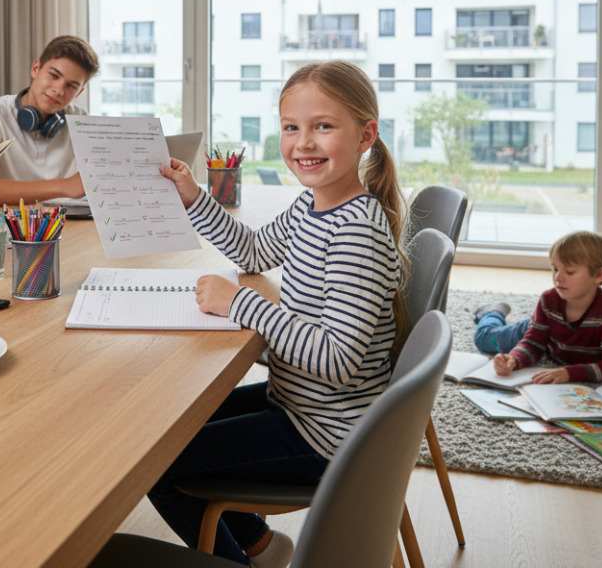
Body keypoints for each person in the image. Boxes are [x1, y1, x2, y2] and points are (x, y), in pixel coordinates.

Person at [150, 60, 409, 566]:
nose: (303, 143)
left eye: (323, 126)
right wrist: (195, 198)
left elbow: (337, 360)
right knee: (169, 428)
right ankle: (263, 548)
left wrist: (240, 303)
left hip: (328, 435)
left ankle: (247, 556)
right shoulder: (312, 206)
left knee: (155, 461)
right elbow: (252, 252)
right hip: (300, 405)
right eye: (291, 128)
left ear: (365, 136)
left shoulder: (355, 232)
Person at [472, 231, 602, 384]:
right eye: (555, 269)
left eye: (569, 272)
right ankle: (492, 312)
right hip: (547, 328)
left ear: (598, 275)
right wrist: (514, 359)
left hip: (598, 323)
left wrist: (569, 373)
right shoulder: (548, 301)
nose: (558, 278)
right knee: (484, 339)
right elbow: (533, 343)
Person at [0, 35, 99, 207]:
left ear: (79, 92)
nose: (59, 90)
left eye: (71, 86)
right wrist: (65, 187)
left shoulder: (80, 120)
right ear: (36, 68)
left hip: (48, 221)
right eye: (54, 75)